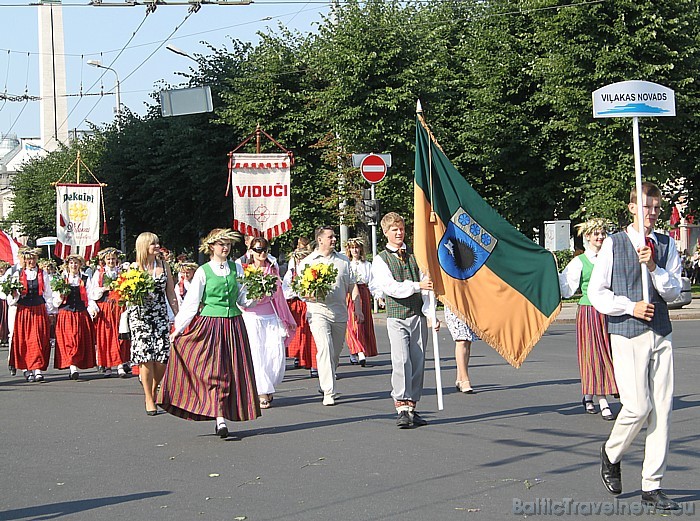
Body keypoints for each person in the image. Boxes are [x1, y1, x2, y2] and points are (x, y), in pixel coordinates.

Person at [589, 182, 682, 511]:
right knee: (637, 406)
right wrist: (630, 306)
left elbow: (675, 291)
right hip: (627, 332)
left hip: (661, 332)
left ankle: (652, 485)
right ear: (632, 208)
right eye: (646, 207)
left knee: (663, 410)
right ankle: (611, 453)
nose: (652, 213)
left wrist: (654, 267)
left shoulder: (666, 245)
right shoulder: (614, 244)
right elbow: (595, 294)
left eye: (656, 208)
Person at [158, 229, 260, 438]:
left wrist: (257, 294)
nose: (225, 247)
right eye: (221, 244)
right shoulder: (204, 271)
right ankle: (219, 419)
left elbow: (242, 299)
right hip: (211, 326)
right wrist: (178, 329)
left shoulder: (236, 268)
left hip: (234, 326)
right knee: (215, 371)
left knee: (231, 372)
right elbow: (192, 304)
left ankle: (223, 415)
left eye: (228, 244)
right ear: (211, 247)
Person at [370, 212, 439, 429]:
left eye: (401, 229)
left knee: (418, 362)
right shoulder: (381, 259)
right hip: (397, 316)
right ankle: (401, 406)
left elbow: (428, 287)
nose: (399, 233)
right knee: (401, 360)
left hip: (417, 315)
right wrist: (417, 285)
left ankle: (411, 405)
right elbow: (391, 288)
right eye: (394, 230)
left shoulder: (415, 256)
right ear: (385, 233)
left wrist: (431, 314)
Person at [558, 219, 618, 420]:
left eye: (602, 233)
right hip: (589, 311)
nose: (600, 237)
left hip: (609, 310)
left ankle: (588, 394)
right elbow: (566, 288)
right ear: (588, 237)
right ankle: (603, 401)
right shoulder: (580, 262)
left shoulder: (610, 258)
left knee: (609, 353)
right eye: (596, 234)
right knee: (594, 354)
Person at [297, 226, 362, 406]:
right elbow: (301, 291)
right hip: (317, 311)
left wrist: (358, 308)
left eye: (334, 237)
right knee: (324, 348)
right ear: (320, 240)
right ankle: (328, 391)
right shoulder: (307, 262)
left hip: (340, 312)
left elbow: (352, 286)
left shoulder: (343, 261)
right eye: (330, 237)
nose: (334, 240)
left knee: (335, 352)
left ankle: (329, 375)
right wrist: (309, 294)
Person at [236, 236, 296, 409]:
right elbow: (240, 296)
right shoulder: (244, 269)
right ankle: (261, 391)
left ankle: (268, 386)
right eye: (258, 250)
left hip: (271, 316)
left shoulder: (273, 268)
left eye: (264, 250)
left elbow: (279, 292)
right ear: (251, 252)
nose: (262, 253)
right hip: (252, 316)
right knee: (256, 354)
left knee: (274, 354)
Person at [128, 232, 179, 416]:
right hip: (140, 316)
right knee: (146, 358)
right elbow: (126, 294)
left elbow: (171, 293)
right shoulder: (134, 267)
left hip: (159, 314)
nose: (157, 246)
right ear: (144, 246)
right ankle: (148, 397)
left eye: (157, 243)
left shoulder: (164, 266)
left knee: (161, 358)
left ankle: (155, 386)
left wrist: (178, 316)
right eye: (153, 244)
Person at [7, 248, 55, 383]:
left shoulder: (42, 274)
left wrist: (50, 311)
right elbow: (11, 298)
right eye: (28, 259)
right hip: (24, 311)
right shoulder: (19, 275)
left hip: (39, 309)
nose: (31, 262)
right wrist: (15, 295)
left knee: (39, 338)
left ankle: (38, 369)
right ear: (25, 260)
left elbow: (48, 294)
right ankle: (26, 369)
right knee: (25, 340)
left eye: (33, 259)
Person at [52, 254, 97, 380]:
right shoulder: (61, 279)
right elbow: (55, 299)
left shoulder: (85, 278)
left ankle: (75, 364)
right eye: (71, 263)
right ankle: (72, 367)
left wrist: (92, 309)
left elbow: (89, 296)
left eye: (76, 263)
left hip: (80, 313)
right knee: (69, 340)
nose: (74, 265)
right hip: (66, 314)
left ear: (80, 265)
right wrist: (60, 298)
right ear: (68, 265)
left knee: (78, 340)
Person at [89, 247, 129, 378]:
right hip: (105, 307)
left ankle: (120, 364)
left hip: (118, 306)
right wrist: (104, 288)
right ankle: (107, 366)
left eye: (113, 259)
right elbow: (92, 292)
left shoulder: (121, 273)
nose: (111, 261)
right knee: (106, 336)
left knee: (120, 335)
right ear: (104, 260)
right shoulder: (99, 273)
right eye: (108, 259)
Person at [282, 241, 318, 377]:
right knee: (299, 333)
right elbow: (286, 291)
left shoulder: (312, 271)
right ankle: (300, 356)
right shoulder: (291, 274)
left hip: (309, 305)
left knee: (313, 335)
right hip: (297, 305)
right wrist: (296, 291)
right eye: (299, 260)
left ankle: (315, 364)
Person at [344, 238, 378, 366]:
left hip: (363, 292)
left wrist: (378, 296)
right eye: (352, 248)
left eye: (357, 248)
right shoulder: (347, 264)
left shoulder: (367, 265)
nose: (355, 250)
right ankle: (358, 352)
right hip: (351, 293)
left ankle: (358, 350)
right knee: (353, 324)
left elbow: (372, 281)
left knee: (363, 324)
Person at [444, 305, 477, 394]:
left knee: (468, 341)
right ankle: (465, 379)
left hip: (470, 305)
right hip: (454, 304)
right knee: (461, 340)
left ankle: (460, 378)